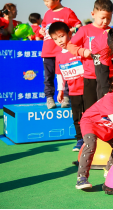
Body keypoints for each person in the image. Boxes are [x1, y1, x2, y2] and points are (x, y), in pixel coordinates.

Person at [38, 0, 82, 109]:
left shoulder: (67, 12)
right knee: (49, 76)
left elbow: (79, 25)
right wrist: (42, 31)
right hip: (48, 51)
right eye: (44, 1)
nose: (45, 3)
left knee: (66, 74)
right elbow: (44, 27)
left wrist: (72, 30)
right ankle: (50, 98)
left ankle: (67, 97)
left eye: (47, 0)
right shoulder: (47, 14)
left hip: (64, 52)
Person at [66, 0, 113, 113]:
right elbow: (70, 45)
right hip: (90, 77)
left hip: (108, 77)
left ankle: (109, 130)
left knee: (108, 108)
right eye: (102, 18)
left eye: (109, 18)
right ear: (93, 14)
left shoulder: (112, 32)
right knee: (90, 109)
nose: (105, 21)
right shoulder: (84, 30)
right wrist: (82, 51)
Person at [48, 22, 85, 152]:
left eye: (61, 36)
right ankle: (80, 140)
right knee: (77, 117)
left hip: (87, 90)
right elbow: (60, 75)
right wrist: (60, 91)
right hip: (73, 92)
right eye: (55, 38)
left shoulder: (78, 49)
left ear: (69, 34)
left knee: (89, 115)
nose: (59, 41)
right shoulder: (58, 56)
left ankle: (92, 138)